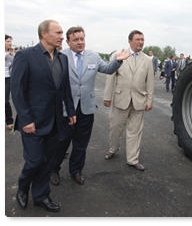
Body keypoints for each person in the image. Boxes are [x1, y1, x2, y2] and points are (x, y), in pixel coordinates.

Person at [50, 26, 131, 186]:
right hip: (66, 108)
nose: (80, 42)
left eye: (82, 39)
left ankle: (76, 170)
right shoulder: (60, 56)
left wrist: (117, 61)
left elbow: (107, 69)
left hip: (86, 107)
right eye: (76, 40)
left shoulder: (93, 56)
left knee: (81, 143)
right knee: (62, 141)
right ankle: (53, 169)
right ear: (68, 41)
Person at [11, 20, 76, 212]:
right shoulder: (25, 56)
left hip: (56, 120)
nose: (61, 36)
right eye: (58, 33)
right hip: (33, 122)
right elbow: (17, 91)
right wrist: (25, 118)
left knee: (48, 161)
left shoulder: (62, 58)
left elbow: (64, 89)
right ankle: (23, 188)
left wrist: (71, 111)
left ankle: (41, 195)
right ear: (43, 33)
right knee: (35, 160)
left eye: (62, 33)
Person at [103, 30, 154, 171]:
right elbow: (110, 77)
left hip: (139, 101)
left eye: (142, 39)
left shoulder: (147, 60)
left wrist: (150, 101)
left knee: (135, 132)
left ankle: (133, 159)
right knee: (115, 128)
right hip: (120, 99)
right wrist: (107, 97)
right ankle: (113, 148)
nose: (140, 42)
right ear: (130, 41)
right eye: (137, 39)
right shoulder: (117, 55)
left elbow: (150, 82)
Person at [5, 34, 15, 130]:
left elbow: (16, 63)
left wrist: (12, 54)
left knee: (5, 100)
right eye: (7, 41)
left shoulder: (11, 53)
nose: (10, 43)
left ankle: (9, 121)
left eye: (10, 41)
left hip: (7, 77)